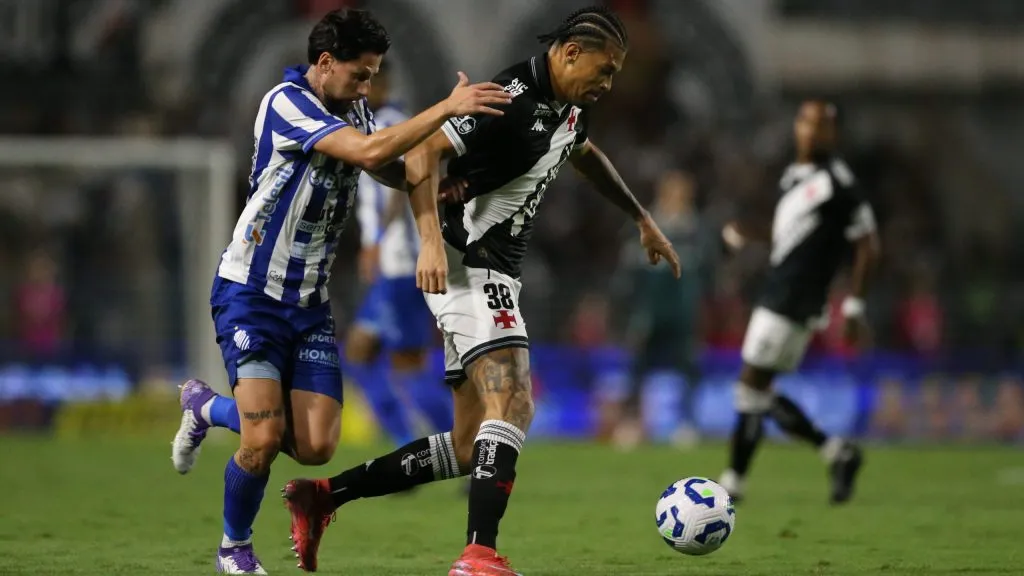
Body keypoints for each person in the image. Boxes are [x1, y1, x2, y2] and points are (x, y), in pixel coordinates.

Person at [282, 6, 681, 576]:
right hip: (467, 264)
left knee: (470, 445)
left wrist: (641, 217)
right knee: (514, 401)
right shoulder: (508, 99)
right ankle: (479, 555)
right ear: (570, 53)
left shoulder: (568, 108)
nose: (608, 83)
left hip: (492, 271)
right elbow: (422, 153)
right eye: (605, 69)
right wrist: (426, 243)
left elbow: (583, 154)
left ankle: (324, 496)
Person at [168, 9, 511, 573]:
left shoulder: (352, 107)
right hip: (251, 292)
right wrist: (445, 109)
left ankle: (205, 407)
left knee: (315, 446)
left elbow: (389, 168)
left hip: (310, 303)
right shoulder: (286, 103)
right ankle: (235, 548)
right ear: (324, 64)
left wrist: (441, 186)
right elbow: (369, 153)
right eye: (360, 75)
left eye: (374, 76)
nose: (368, 87)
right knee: (261, 440)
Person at [717, 100, 881, 505]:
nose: (815, 131)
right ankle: (837, 453)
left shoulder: (838, 183)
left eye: (824, 125)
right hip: (782, 289)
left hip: (794, 297)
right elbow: (789, 236)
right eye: (809, 123)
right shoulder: (795, 176)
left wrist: (855, 307)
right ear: (797, 127)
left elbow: (869, 246)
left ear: (834, 134)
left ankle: (735, 481)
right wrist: (749, 234)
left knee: (750, 388)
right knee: (758, 390)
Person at [347, 61, 453, 449]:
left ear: (383, 84)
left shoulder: (393, 122)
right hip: (391, 265)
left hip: (402, 262)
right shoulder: (364, 125)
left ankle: (462, 451)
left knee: (407, 363)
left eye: (366, 81)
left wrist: (374, 239)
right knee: (359, 353)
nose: (359, 88)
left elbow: (400, 184)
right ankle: (408, 441)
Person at [612, 169, 711, 449]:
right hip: (649, 311)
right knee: (637, 369)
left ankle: (687, 424)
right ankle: (630, 424)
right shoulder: (644, 226)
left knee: (689, 368)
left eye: (682, 193)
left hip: (683, 312)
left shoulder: (698, 230)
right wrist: (629, 309)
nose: (678, 198)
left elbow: (708, 272)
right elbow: (628, 272)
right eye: (673, 192)